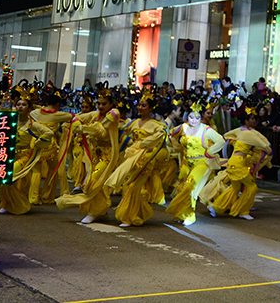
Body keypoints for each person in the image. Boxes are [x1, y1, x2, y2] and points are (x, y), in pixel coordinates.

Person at [56, 89, 121, 224]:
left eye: (104, 104)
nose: (101, 106)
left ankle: (94, 212)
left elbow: (100, 130)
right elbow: (77, 117)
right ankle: (101, 212)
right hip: (94, 155)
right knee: (94, 184)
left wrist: (83, 129)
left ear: (111, 104)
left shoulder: (113, 114)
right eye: (99, 103)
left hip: (108, 156)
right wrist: (76, 123)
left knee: (92, 182)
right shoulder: (95, 114)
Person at [105, 93, 168, 227]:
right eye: (139, 105)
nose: (140, 108)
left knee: (133, 186)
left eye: (143, 105)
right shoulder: (133, 123)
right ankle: (141, 213)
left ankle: (129, 216)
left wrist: (146, 144)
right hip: (131, 157)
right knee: (128, 186)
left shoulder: (156, 125)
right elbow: (121, 130)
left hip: (145, 159)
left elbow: (162, 136)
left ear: (151, 108)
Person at [206, 107, 272, 220]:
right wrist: (269, 153)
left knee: (235, 188)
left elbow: (226, 135)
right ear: (246, 121)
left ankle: (216, 207)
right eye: (251, 119)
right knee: (252, 187)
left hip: (233, 161)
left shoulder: (239, 130)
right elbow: (266, 146)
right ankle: (242, 210)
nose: (254, 121)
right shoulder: (250, 134)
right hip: (239, 163)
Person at [0, 93, 53, 215]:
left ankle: (20, 205)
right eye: (18, 104)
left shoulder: (32, 125)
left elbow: (49, 133)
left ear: (29, 108)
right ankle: (8, 203)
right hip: (9, 155)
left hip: (24, 156)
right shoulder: (10, 121)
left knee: (7, 177)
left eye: (24, 105)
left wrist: (38, 142)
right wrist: (2, 105)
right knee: (6, 180)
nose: (20, 107)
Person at [165, 105, 225, 226]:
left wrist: (210, 151)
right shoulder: (183, 127)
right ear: (187, 116)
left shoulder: (206, 130)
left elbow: (221, 141)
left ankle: (189, 215)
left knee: (190, 187)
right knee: (181, 187)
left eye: (197, 118)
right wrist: (177, 146)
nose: (194, 120)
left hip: (201, 163)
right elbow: (171, 134)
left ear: (201, 117)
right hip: (186, 162)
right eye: (191, 117)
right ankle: (181, 213)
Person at [29, 91, 76, 204]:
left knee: (36, 172)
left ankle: (33, 198)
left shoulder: (36, 113)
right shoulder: (57, 115)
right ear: (57, 104)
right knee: (53, 170)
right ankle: (47, 196)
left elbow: (31, 112)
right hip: (49, 144)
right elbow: (72, 117)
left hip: (35, 143)